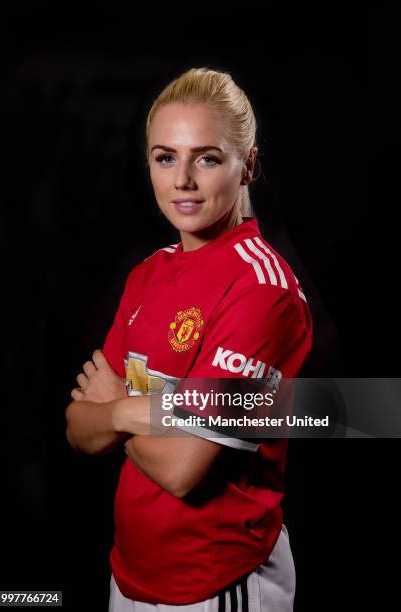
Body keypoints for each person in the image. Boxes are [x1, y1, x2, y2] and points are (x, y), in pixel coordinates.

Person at [66, 67, 313, 611]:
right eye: (164, 157)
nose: (182, 180)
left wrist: (117, 408)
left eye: (206, 157)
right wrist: (128, 413)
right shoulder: (146, 275)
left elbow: (183, 469)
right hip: (129, 574)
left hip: (217, 583)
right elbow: (79, 428)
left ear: (246, 165)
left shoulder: (261, 288)